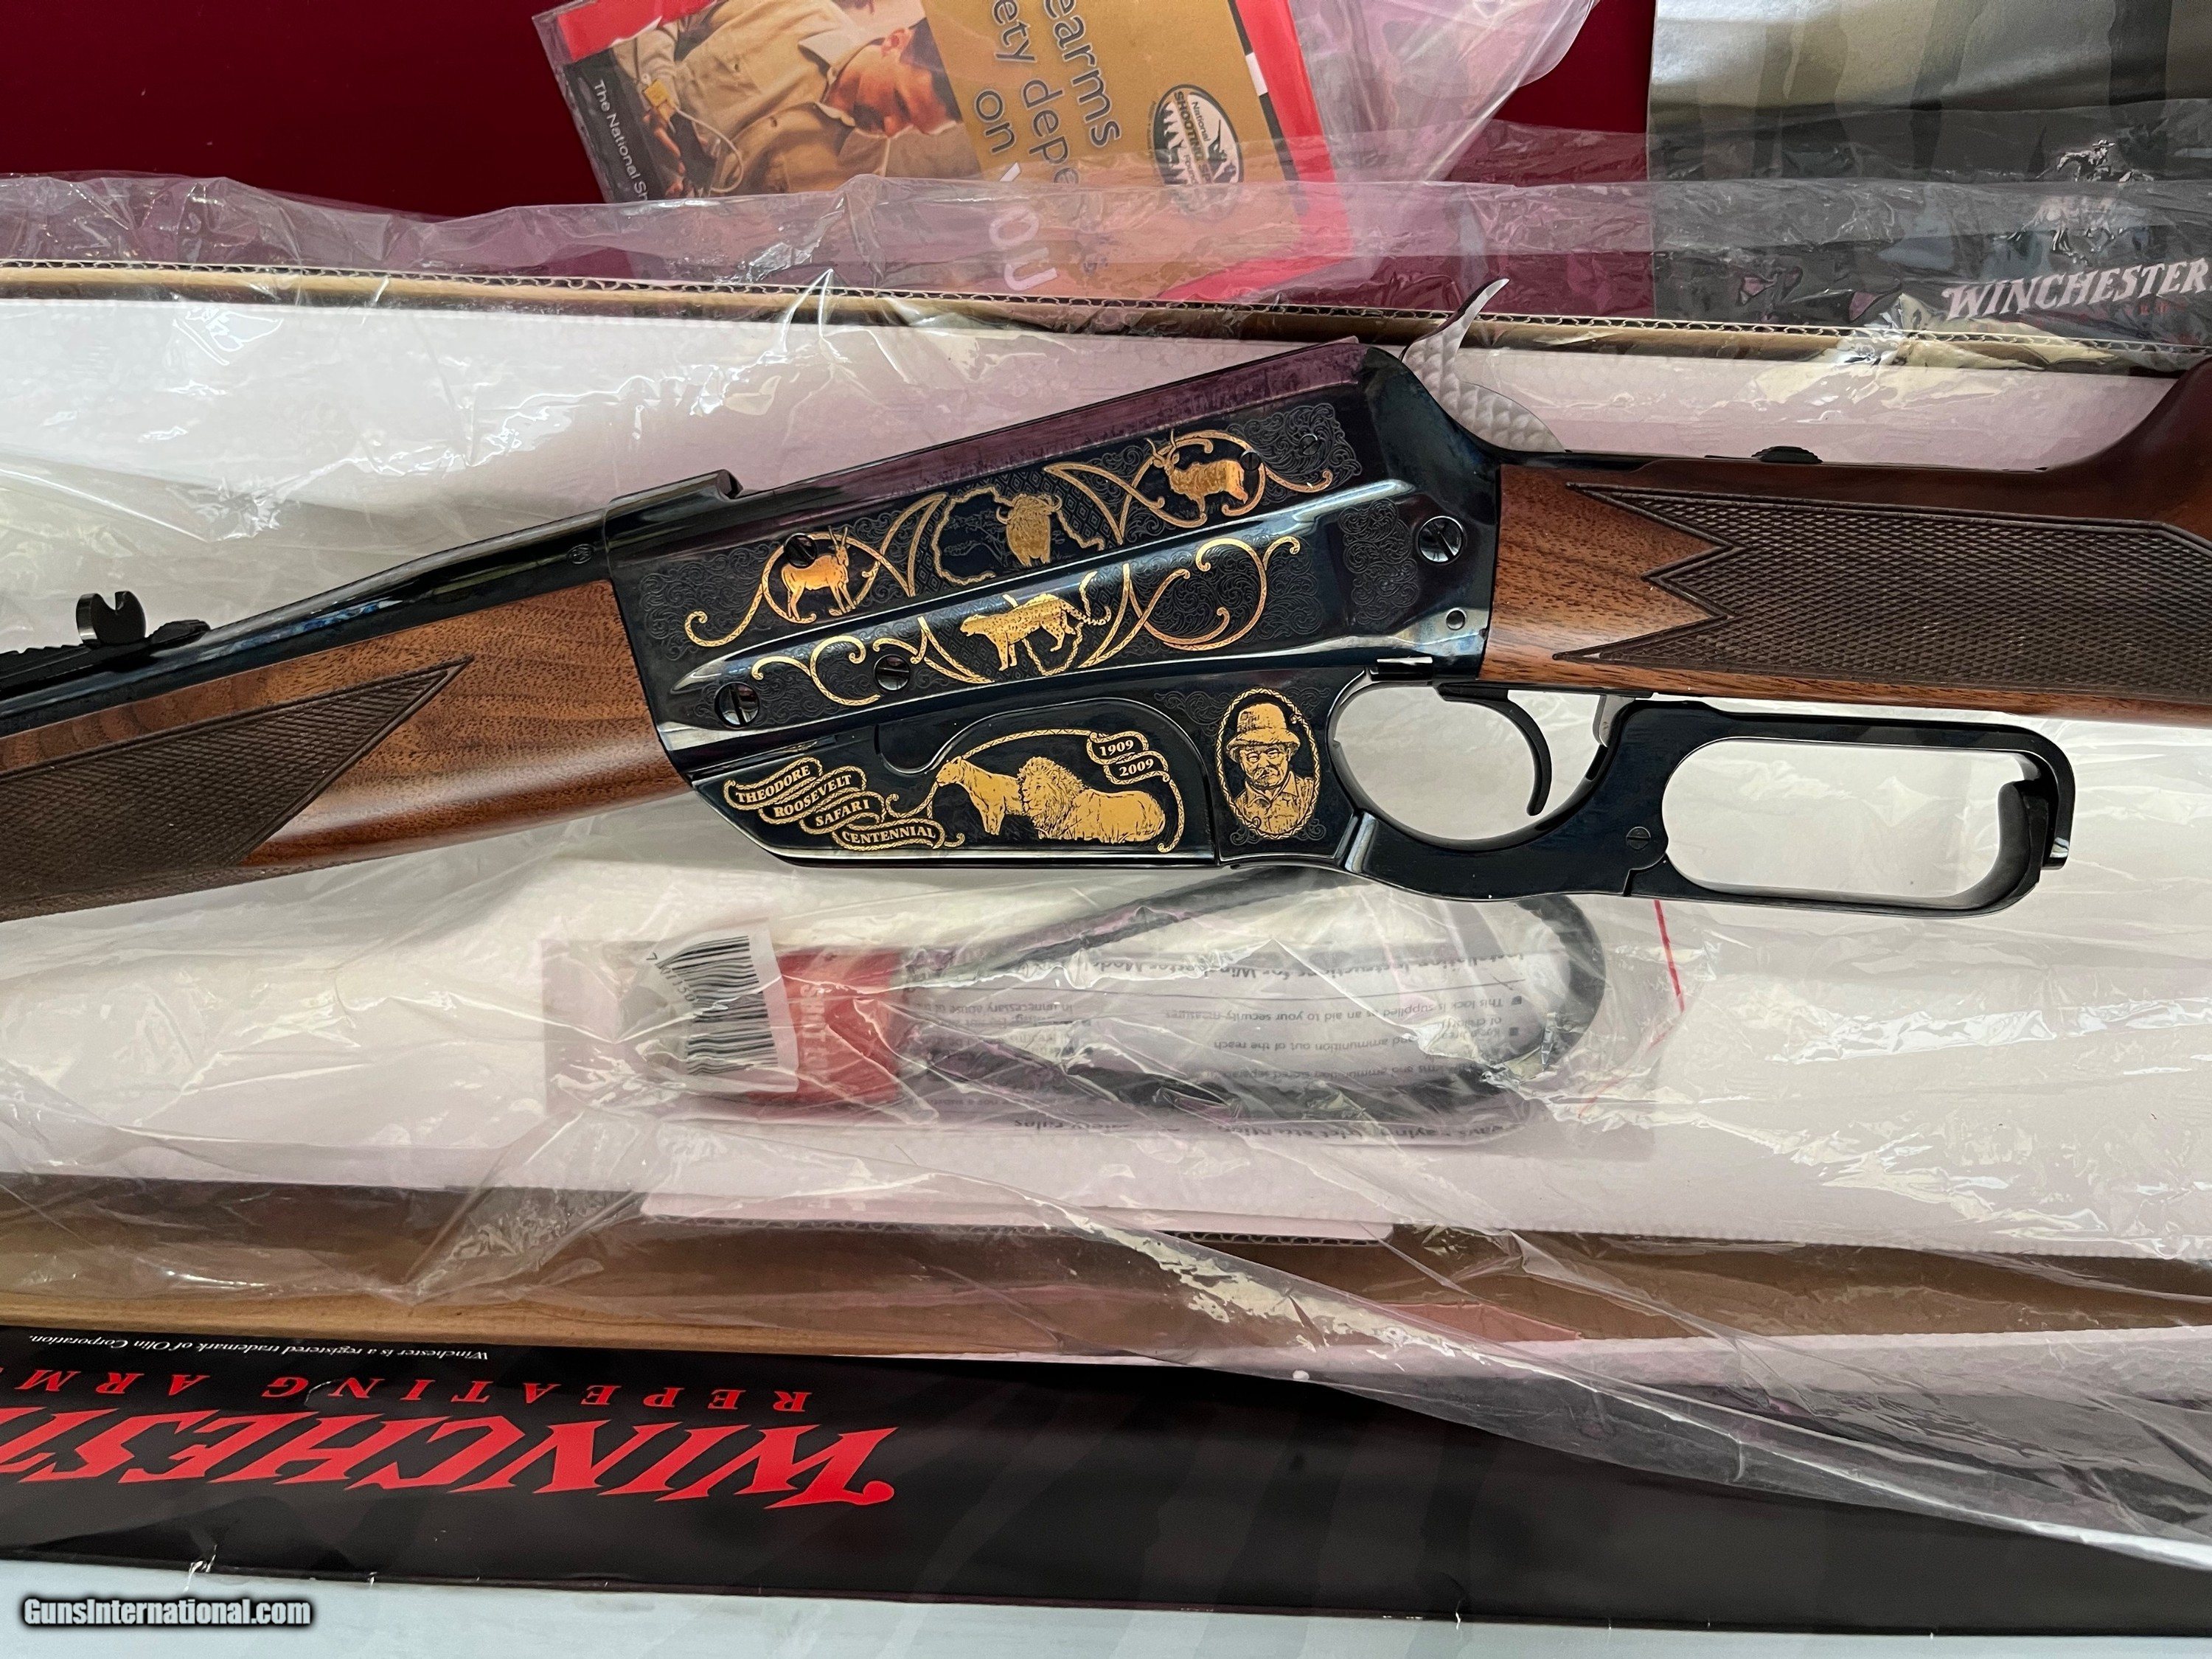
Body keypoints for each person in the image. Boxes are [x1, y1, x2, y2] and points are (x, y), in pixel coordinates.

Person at [616, 0, 975, 196]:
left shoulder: (853, 190)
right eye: (901, 104)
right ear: (894, 42)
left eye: (914, 127)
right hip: (605, 119)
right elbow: (660, 9)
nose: (893, 130)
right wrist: (656, 90)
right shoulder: (791, 8)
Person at [1225, 700, 1317, 838]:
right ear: (1241, 762)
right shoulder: (1237, 807)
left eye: (1272, 753)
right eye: (1253, 757)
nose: (1263, 764)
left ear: (1288, 753)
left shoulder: (1310, 792)